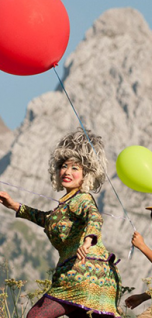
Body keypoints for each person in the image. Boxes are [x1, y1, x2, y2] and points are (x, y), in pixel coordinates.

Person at [0, 130, 121, 318]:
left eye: (75, 168)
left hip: (83, 273)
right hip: (87, 275)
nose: (67, 171)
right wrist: (14, 205)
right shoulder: (66, 204)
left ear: (85, 175)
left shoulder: (82, 198)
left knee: (35, 316)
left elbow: (95, 217)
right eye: (64, 166)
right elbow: (47, 219)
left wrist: (89, 240)